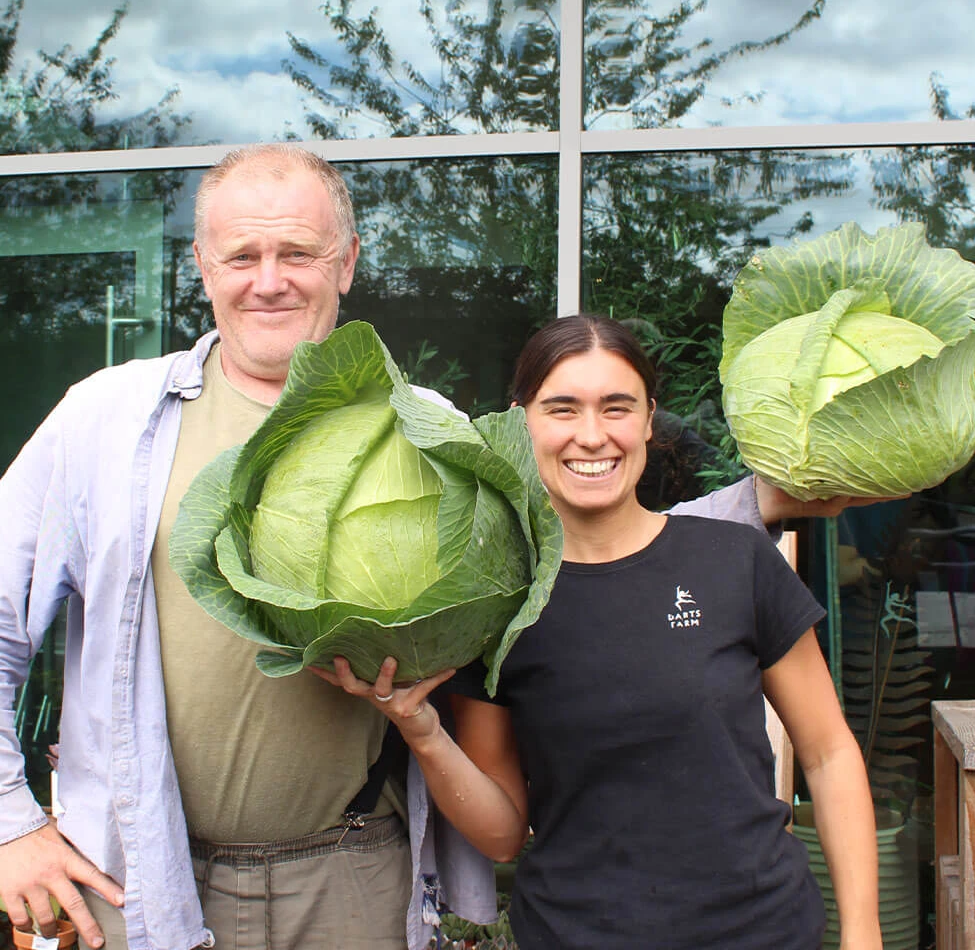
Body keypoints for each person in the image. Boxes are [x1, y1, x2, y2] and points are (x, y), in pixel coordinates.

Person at [0, 144, 867, 950]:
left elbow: (574, 546)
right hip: (143, 873)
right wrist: (10, 823)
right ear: (202, 265)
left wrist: (761, 499)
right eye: (242, 256)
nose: (270, 280)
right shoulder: (104, 421)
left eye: (298, 252)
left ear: (347, 262)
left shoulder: (428, 428)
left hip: (351, 874)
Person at [319, 314, 883, 950]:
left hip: (763, 932)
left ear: (649, 421)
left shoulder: (735, 559)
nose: (592, 436)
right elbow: (503, 835)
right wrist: (422, 732)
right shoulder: (495, 606)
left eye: (617, 407)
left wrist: (863, 932)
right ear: (521, 422)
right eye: (562, 409)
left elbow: (828, 754)